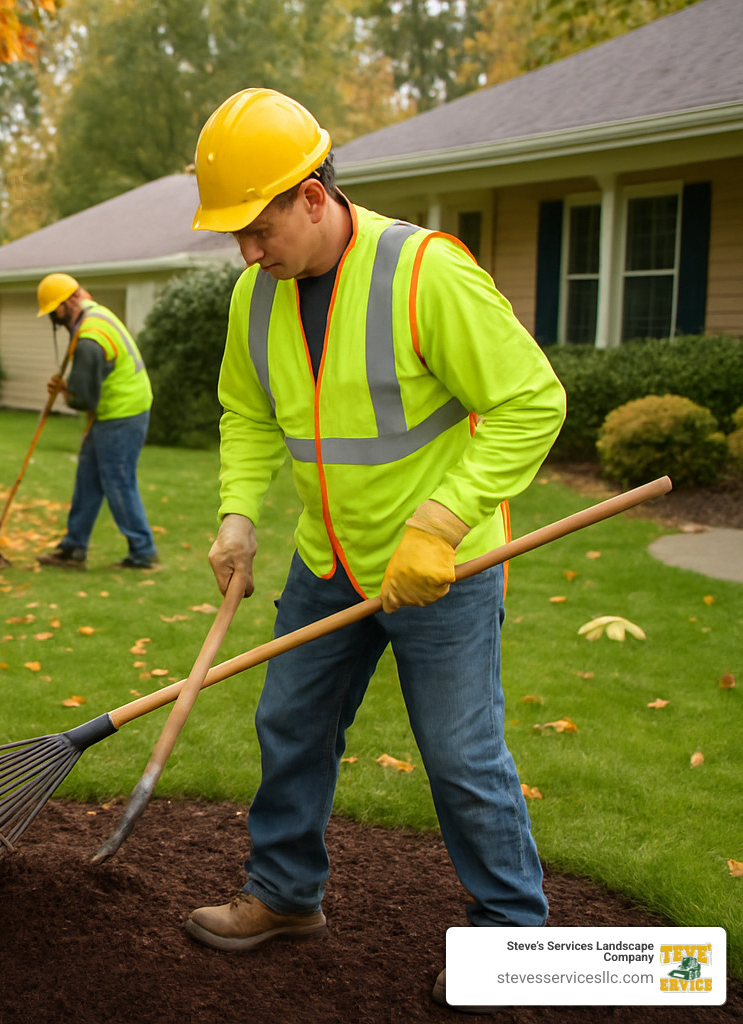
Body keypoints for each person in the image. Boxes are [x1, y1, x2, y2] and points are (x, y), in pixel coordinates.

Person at [183, 88, 566, 1004]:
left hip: (444, 568)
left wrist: (441, 523)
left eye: (259, 229)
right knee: (291, 726)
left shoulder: (425, 272)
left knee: (462, 757)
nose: (248, 253)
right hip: (329, 560)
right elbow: (247, 412)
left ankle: (512, 942)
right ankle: (285, 896)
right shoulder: (256, 298)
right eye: (235, 236)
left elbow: (531, 401)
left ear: (313, 197)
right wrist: (238, 515)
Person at [32, 273, 158, 570]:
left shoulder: (90, 337)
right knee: (87, 479)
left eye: (53, 313)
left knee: (118, 481)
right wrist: (69, 388)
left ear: (66, 304)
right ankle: (73, 549)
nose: (53, 320)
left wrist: (68, 392)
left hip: (122, 412)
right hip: (112, 410)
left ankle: (143, 553)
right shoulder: (95, 315)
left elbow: (84, 399)